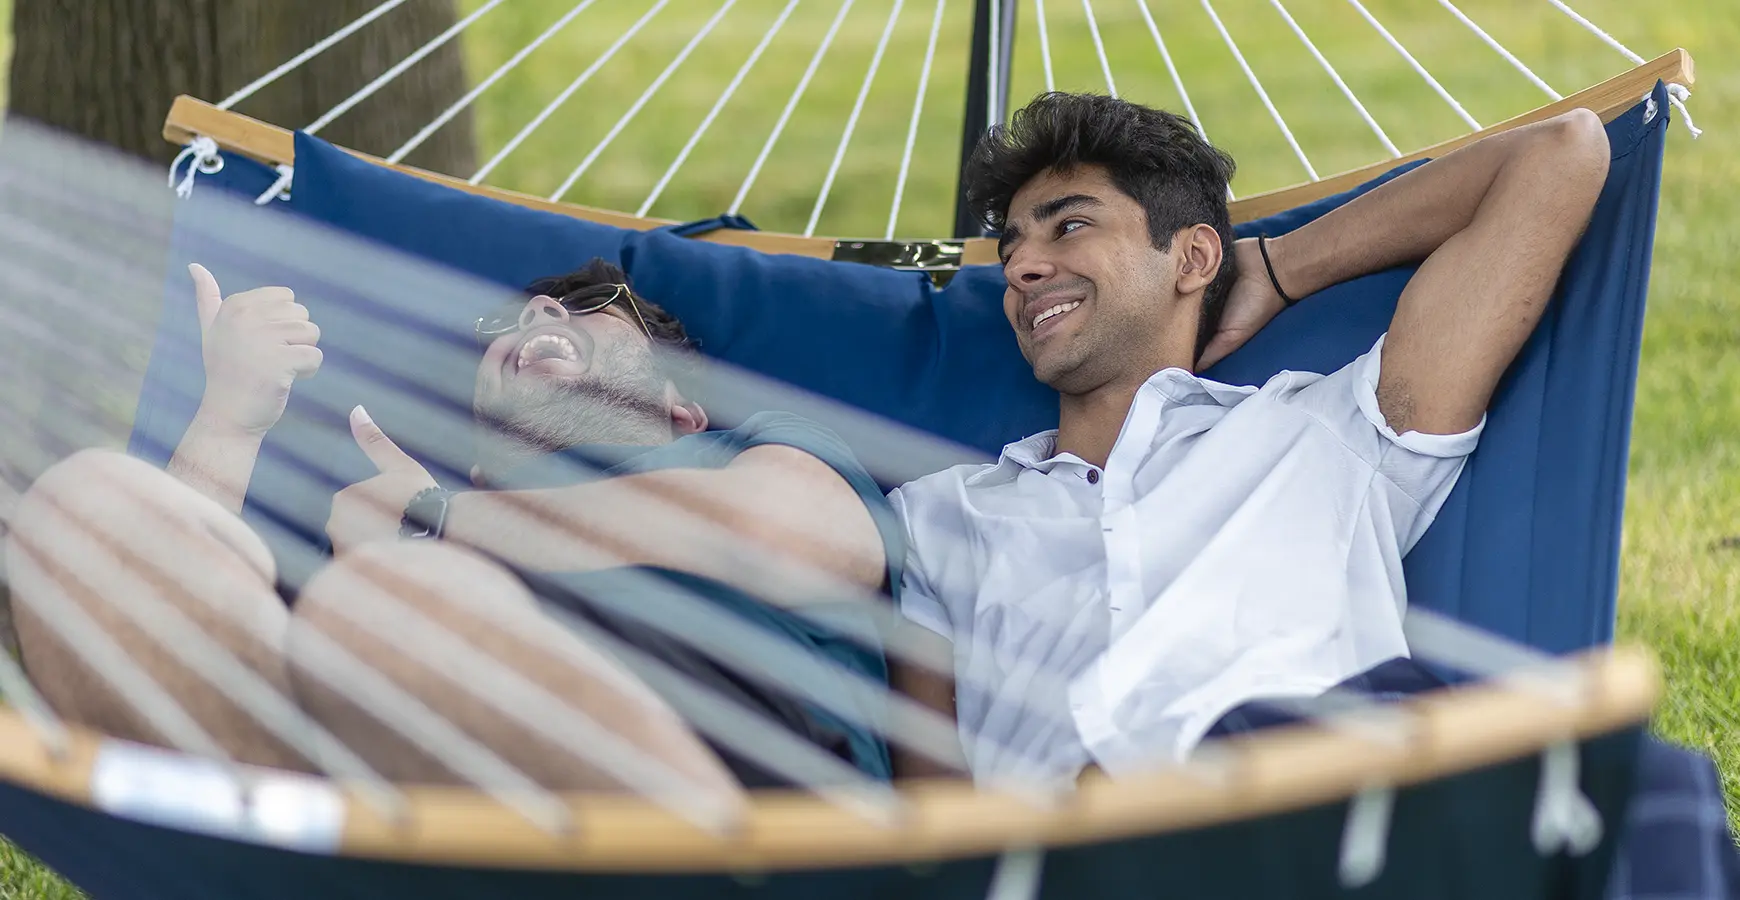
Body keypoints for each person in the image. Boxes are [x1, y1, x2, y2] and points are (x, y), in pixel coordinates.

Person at [886, 92, 1612, 784]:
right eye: (1011, 250)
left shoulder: (1326, 435)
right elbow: (936, 821)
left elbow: (1560, 154)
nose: (1021, 268)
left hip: (1305, 816)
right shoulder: (939, 514)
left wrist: (1281, 264)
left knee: (1639, 785)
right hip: (1064, 858)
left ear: (1194, 259)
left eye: (1069, 226)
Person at [8, 258, 907, 806]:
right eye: (504, 328)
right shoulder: (400, 544)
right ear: (480, 458)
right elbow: (176, 639)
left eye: (592, 302)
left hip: (754, 799)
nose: (539, 317)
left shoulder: (749, 449)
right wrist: (232, 421)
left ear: (682, 405)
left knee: (390, 607)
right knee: (87, 510)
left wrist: (437, 523)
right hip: (406, 803)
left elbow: (782, 534)